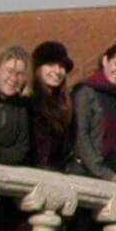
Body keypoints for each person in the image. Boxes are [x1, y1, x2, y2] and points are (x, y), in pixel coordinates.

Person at [70, 44, 116, 181]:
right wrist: (102, 172)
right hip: (86, 172)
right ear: (105, 60)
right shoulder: (86, 92)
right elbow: (80, 135)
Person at [29, 41, 76, 172]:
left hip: (54, 174)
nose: (57, 71)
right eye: (50, 65)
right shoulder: (26, 99)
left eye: (61, 66)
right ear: (38, 68)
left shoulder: (66, 104)